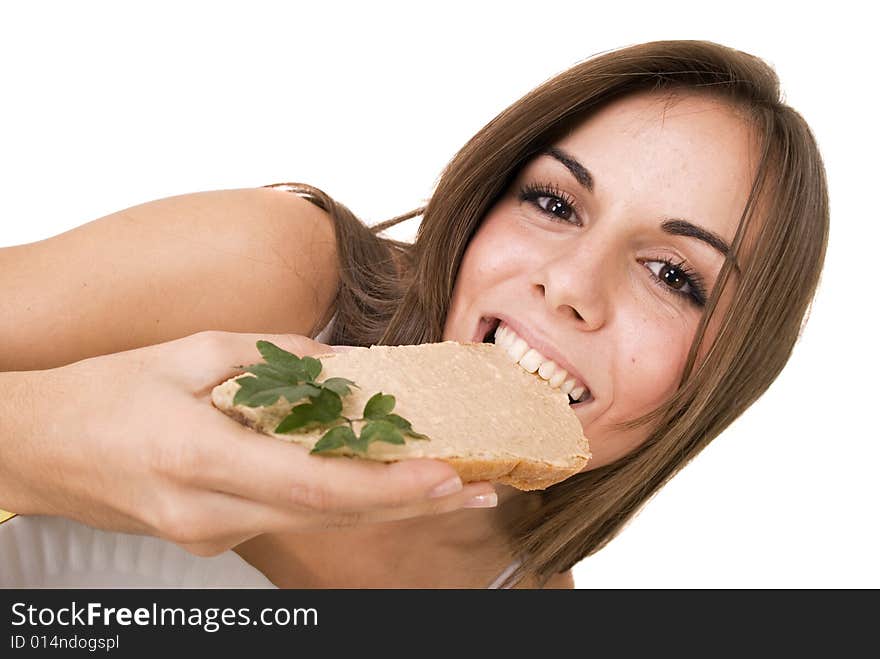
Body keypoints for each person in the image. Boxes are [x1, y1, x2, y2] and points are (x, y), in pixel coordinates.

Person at [0, 40, 828, 588]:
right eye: (553, 201)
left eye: (672, 275)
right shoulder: (279, 270)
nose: (570, 283)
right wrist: (36, 442)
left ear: (728, 372)